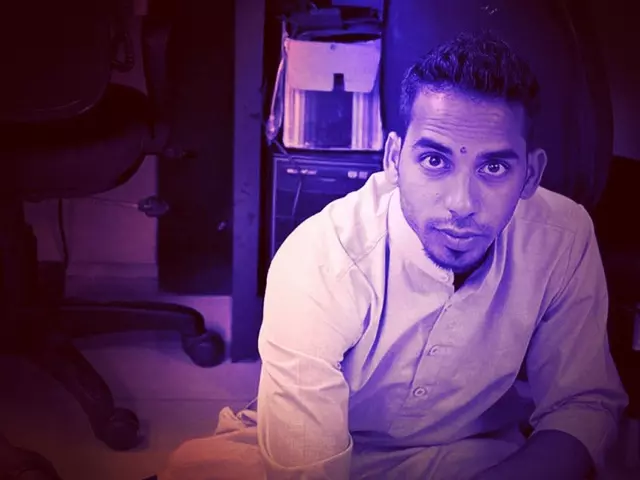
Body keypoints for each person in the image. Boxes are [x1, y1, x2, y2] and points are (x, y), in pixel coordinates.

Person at [160, 31, 628, 480]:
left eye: (493, 166)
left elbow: (582, 405)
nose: (461, 204)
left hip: (468, 453)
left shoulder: (562, 238)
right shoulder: (321, 259)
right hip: (318, 446)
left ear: (530, 175)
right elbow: (307, 470)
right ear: (393, 159)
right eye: (434, 160)